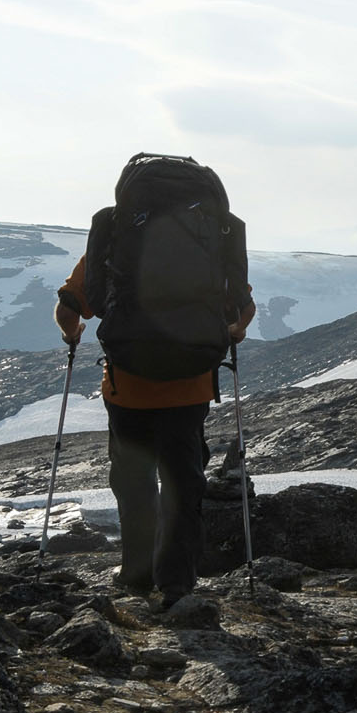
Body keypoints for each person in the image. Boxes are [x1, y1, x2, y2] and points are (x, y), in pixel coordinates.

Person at [53, 160, 256, 605]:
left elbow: (70, 308)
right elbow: (242, 311)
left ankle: (135, 576)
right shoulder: (211, 239)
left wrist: (73, 335)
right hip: (190, 386)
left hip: (129, 386)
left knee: (133, 482)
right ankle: (177, 585)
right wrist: (232, 333)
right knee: (184, 484)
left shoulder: (115, 237)